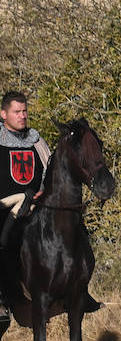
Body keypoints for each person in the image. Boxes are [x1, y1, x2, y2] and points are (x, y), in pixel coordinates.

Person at [1, 91, 50, 318]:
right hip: (3, 209)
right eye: (16, 112)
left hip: (36, 205)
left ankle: (74, 290)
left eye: (24, 111)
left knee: (73, 230)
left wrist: (41, 191)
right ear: (3, 114)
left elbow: (49, 171)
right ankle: (3, 298)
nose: (22, 116)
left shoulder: (36, 140)